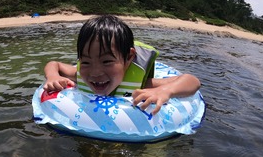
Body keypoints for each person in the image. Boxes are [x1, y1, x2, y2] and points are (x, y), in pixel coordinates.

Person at [43, 15, 201, 115]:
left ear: (129, 58)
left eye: (107, 61)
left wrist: (164, 91)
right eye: (86, 61)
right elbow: (54, 64)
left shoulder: (139, 84)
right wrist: (53, 77)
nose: (95, 72)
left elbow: (192, 80)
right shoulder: (81, 75)